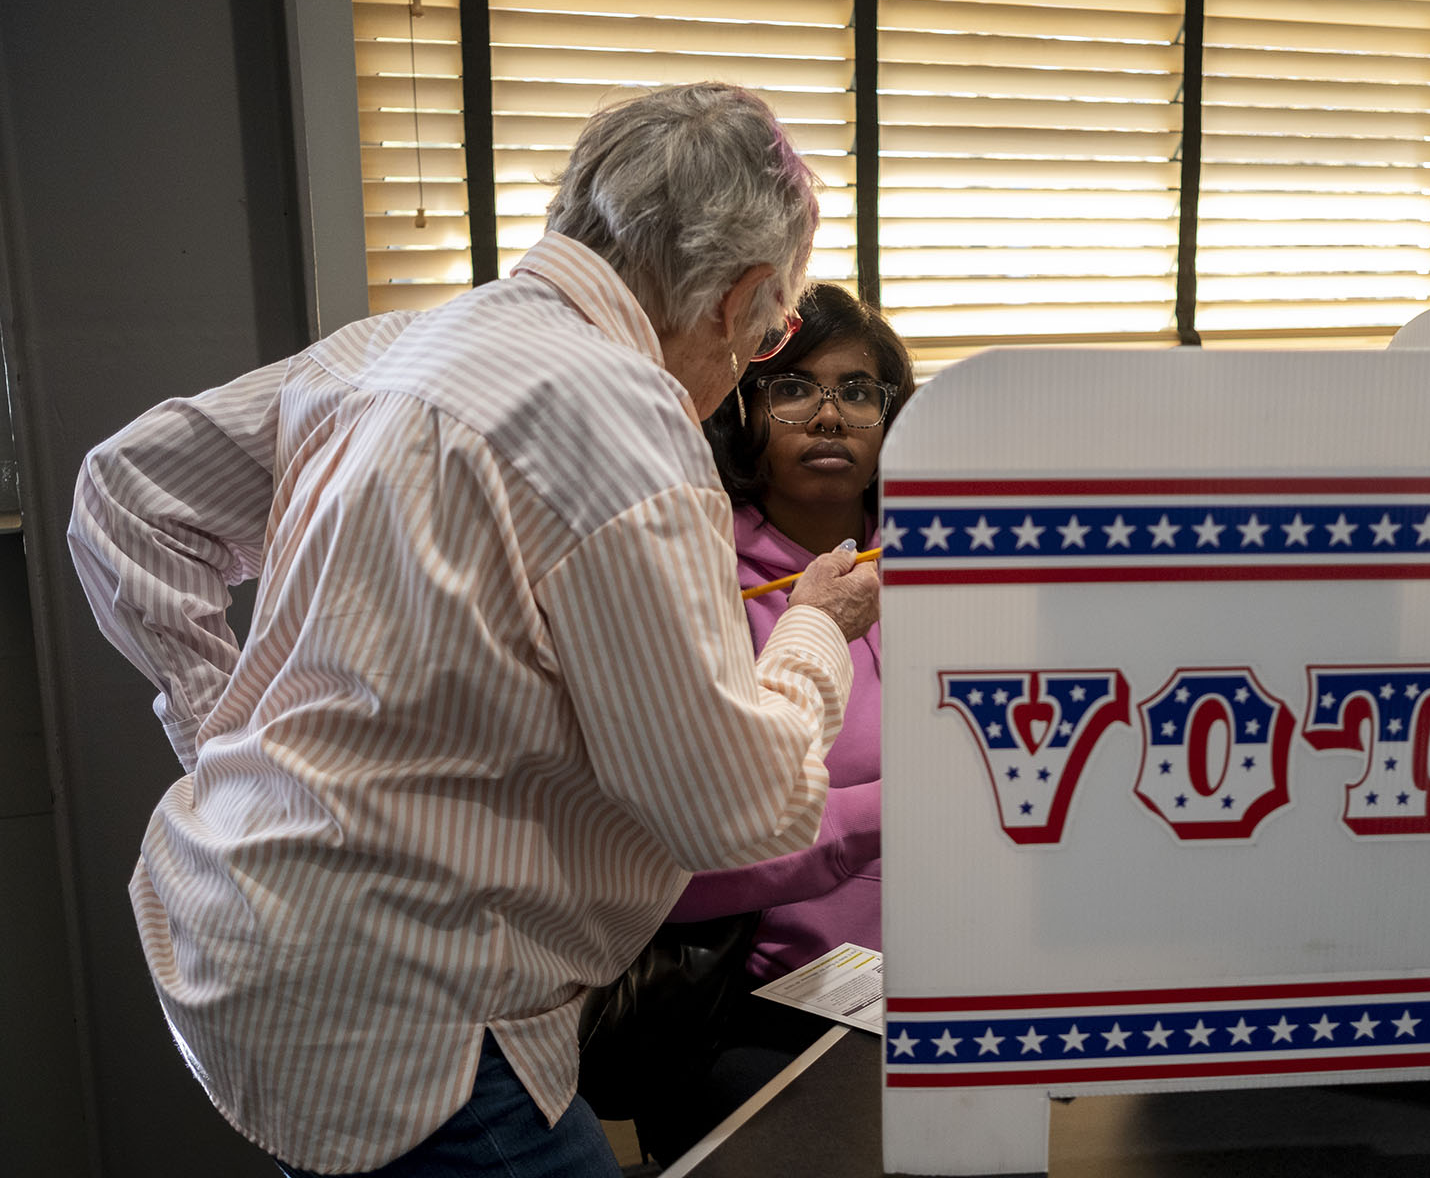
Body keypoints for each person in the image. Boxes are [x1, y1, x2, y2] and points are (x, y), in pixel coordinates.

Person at [64, 82, 878, 1178]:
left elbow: (127, 497)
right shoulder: (629, 419)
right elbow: (731, 808)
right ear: (738, 302)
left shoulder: (386, 348)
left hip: (239, 920)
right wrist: (814, 632)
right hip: (407, 1002)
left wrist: (229, 740)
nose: (752, 365)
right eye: (774, 331)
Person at [609, 282, 914, 1165]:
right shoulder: (694, 579)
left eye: (859, 392)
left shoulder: (951, 559)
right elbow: (679, 853)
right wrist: (890, 810)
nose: (830, 416)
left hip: (948, 992)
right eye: (795, 389)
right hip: (752, 1008)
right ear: (743, 408)